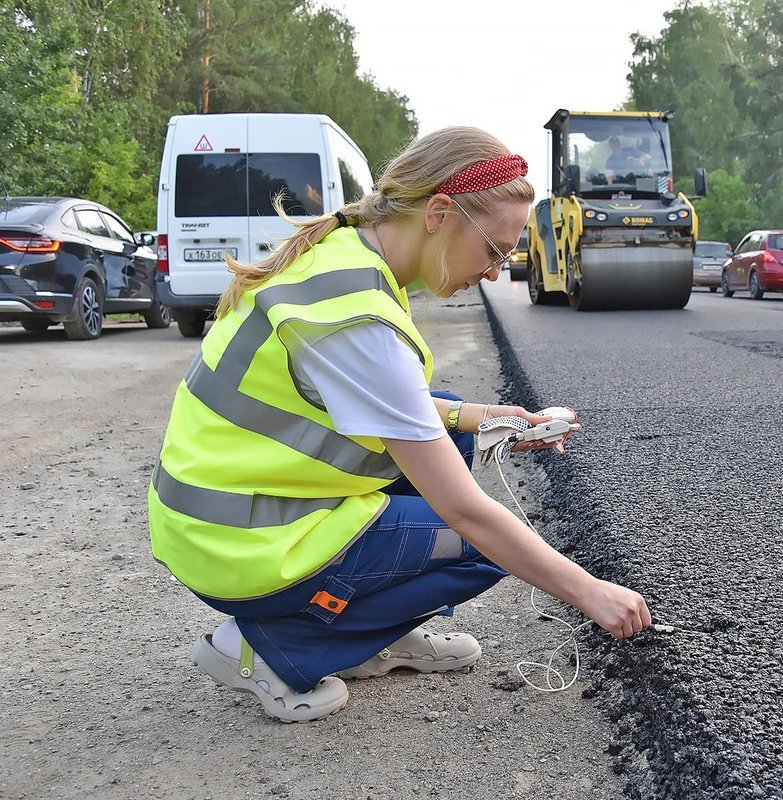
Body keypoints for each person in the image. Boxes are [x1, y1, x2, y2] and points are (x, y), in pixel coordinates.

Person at [148, 127, 652, 723]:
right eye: (493, 250)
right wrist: (593, 593)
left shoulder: (345, 252)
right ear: (440, 213)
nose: (495, 273)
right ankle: (267, 649)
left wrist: (482, 417)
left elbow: (387, 402)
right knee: (484, 546)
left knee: (455, 423)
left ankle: (375, 634)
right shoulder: (360, 321)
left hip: (222, 515)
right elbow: (466, 511)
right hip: (239, 545)